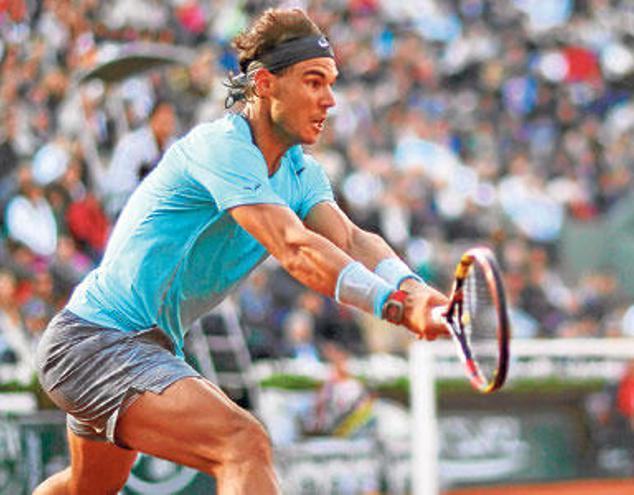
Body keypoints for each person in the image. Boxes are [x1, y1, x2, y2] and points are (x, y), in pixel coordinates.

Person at [34, 8, 448, 495]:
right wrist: (394, 306)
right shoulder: (220, 147)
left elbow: (353, 240)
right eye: (314, 82)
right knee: (242, 442)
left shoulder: (303, 173)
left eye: (331, 83)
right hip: (96, 341)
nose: (329, 100)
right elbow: (295, 247)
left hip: (137, 344)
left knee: (85, 489)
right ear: (265, 84)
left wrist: (414, 288)